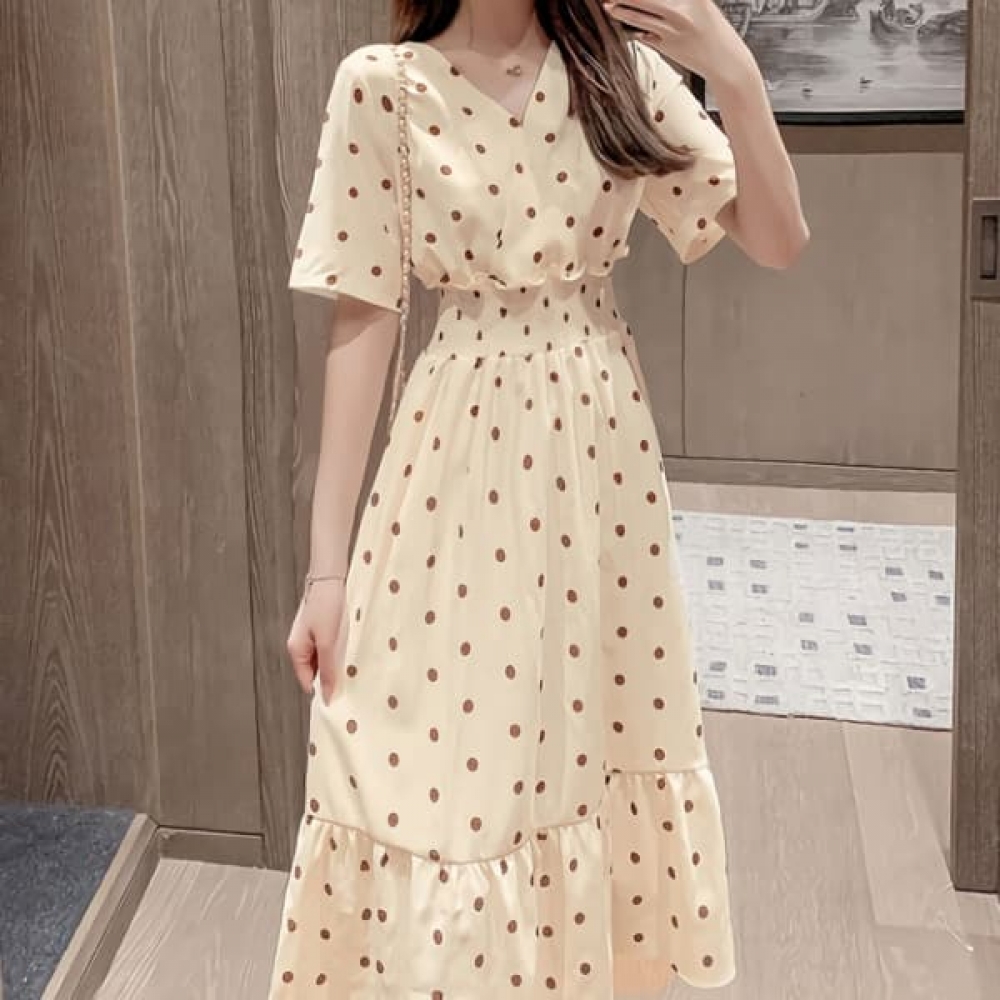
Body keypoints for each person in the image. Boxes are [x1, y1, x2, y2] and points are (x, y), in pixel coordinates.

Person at [268, 0, 808, 996]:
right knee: (436, 764)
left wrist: (731, 68)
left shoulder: (616, 75)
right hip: (450, 459)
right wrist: (326, 569)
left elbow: (777, 239)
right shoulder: (382, 86)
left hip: (596, 460)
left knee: (588, 746)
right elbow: (362, 315)